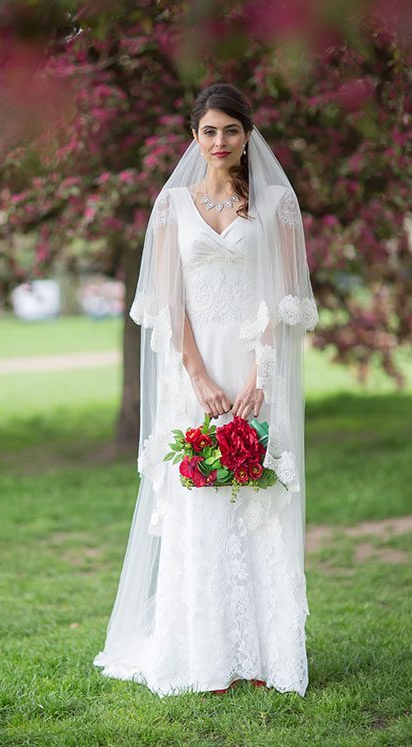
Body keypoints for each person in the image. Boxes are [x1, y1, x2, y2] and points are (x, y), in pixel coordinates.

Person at [93, 83, 319, 697]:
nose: (220, 142)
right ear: (193, 137)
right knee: (200, 498)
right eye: (209, 131)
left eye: (231, 131)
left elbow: (288, 297)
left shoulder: (276, 206)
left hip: (253, 367)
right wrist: (196, 374)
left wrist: (260, 374)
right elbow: (167, 302)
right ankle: (205, 650)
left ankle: (263, 654)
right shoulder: (171, 207)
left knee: (256, 499)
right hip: (196, 372)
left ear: (248, 137)